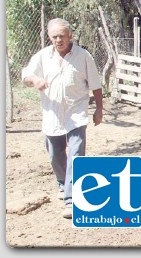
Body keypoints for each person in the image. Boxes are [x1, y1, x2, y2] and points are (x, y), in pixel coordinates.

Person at [21, 18, 103, 219]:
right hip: (52, 114)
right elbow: (26, 76)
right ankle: (62, 183)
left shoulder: (83, 56)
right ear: (49, 37)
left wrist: (99, 109)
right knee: (54, 155)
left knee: (76, 155)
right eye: (54, 36)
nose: (58, 40)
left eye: (62, 36)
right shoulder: (42, 57)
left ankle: (71, 200)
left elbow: (95, 84)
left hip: (76, 114)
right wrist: (35, 80)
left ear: (70, 36)